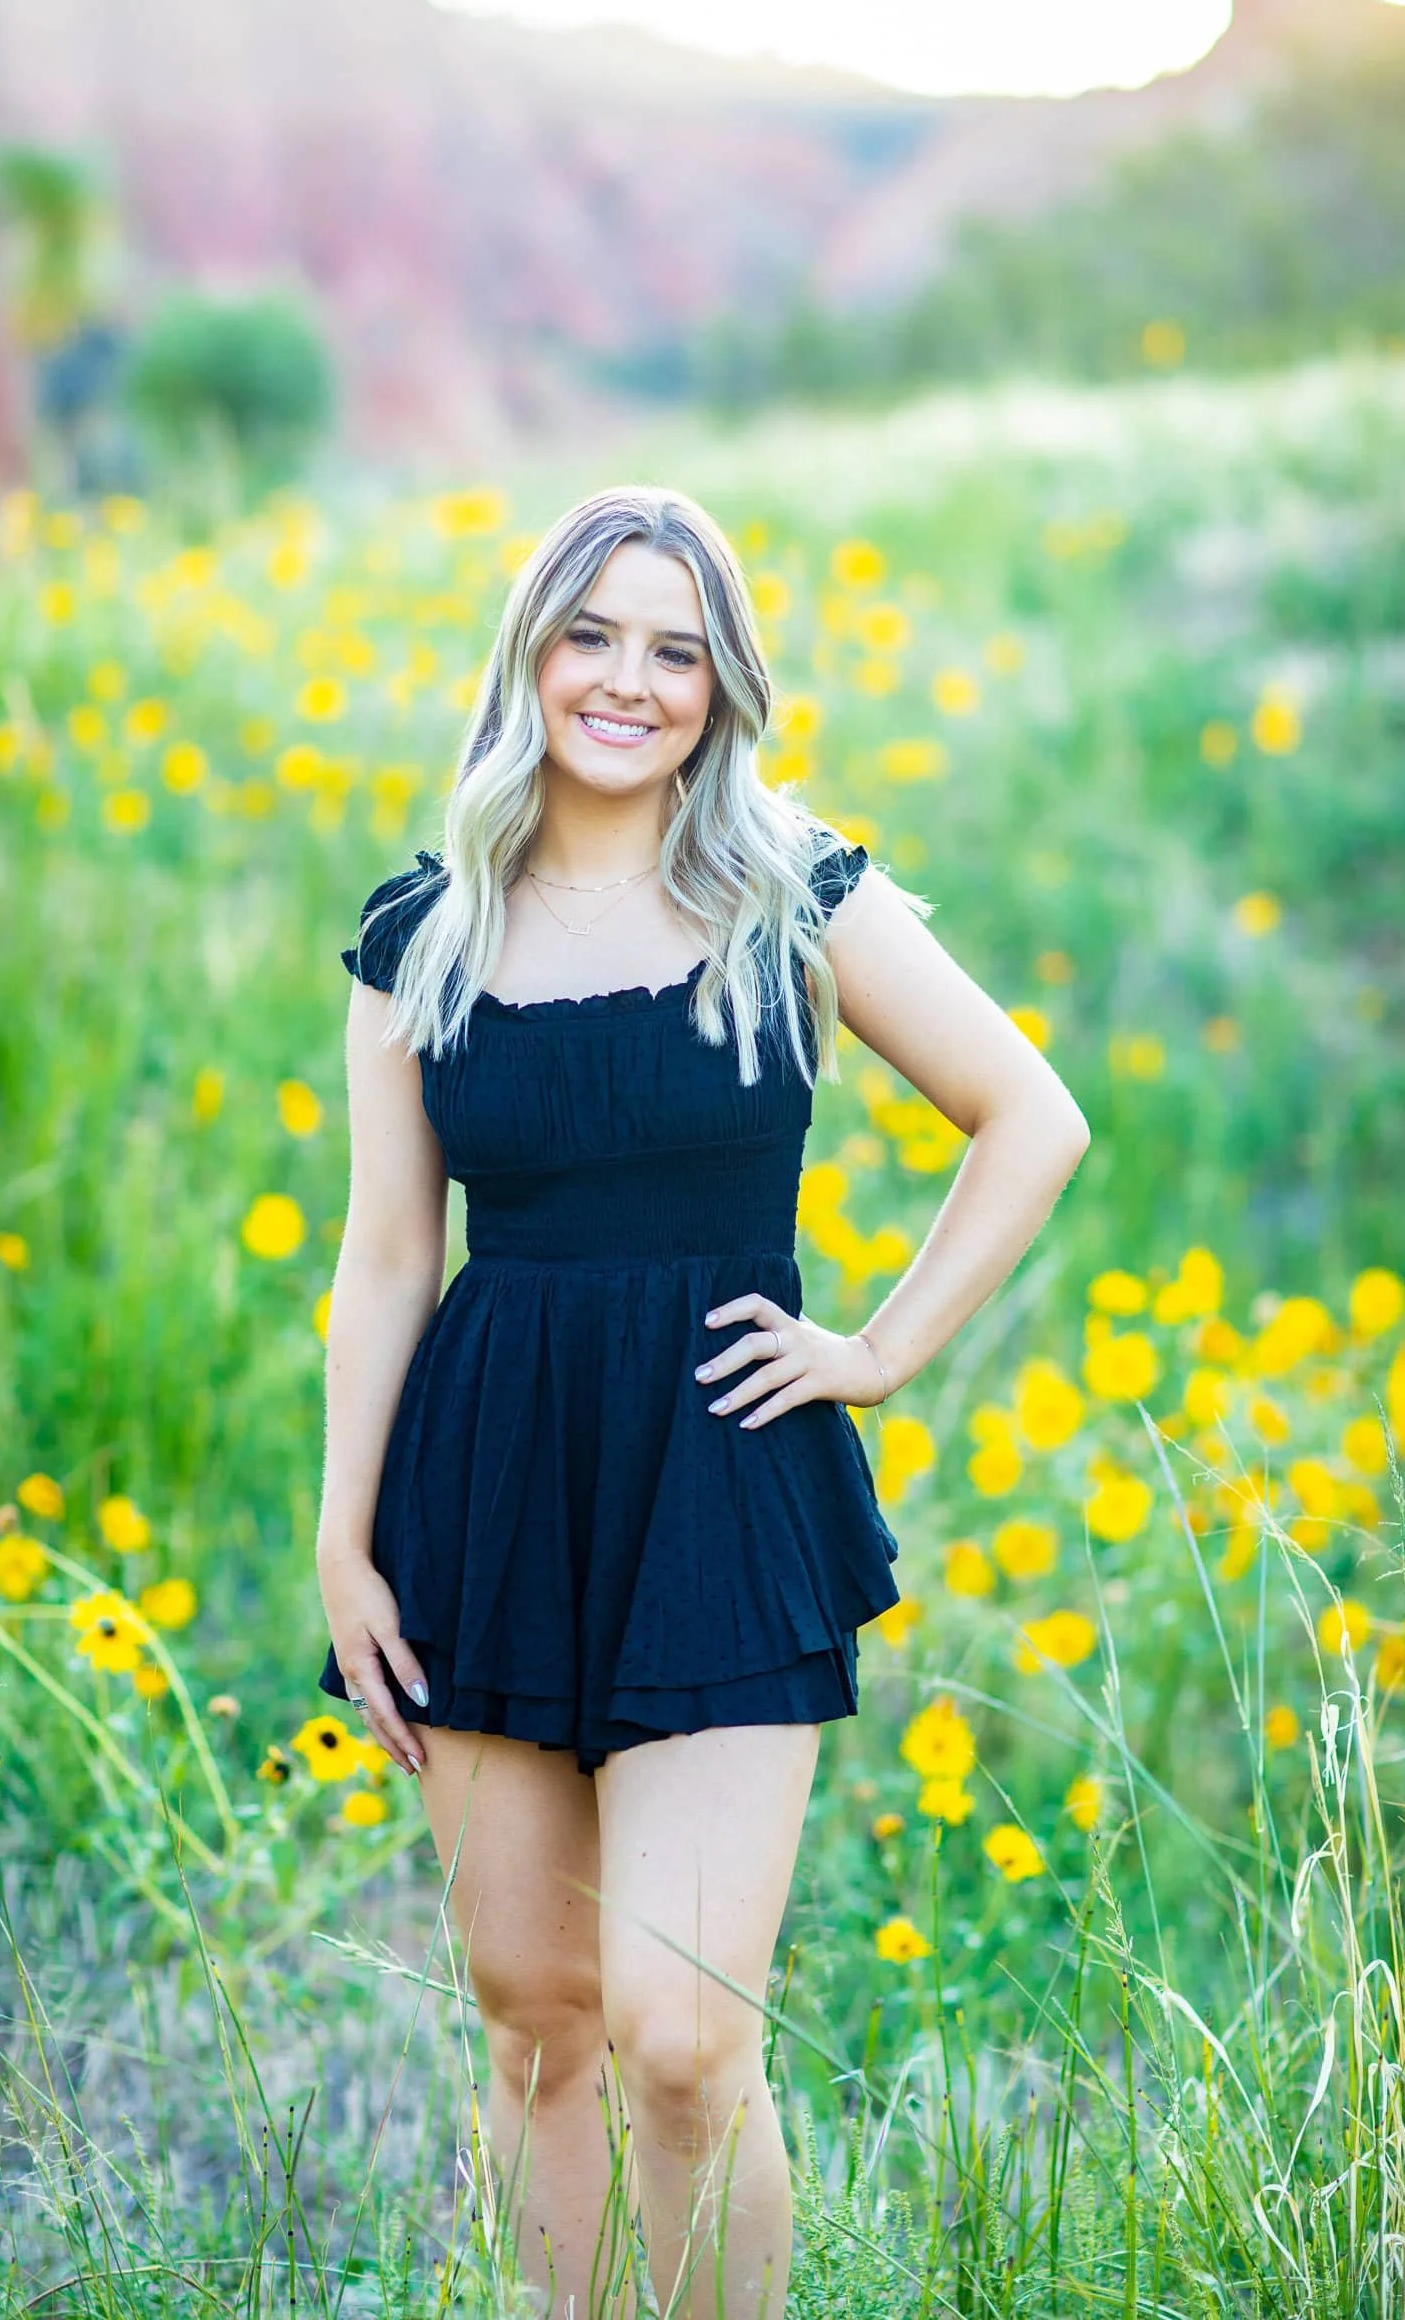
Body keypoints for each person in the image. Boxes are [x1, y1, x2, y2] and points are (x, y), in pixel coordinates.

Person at [314, 484, 1091, 2319]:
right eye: (591, 634)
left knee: (679, 2035)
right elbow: (388, 1255)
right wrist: (344, 1544)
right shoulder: (425, 931)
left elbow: (1031, 1118)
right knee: (535, 2018)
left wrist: (877, 1352)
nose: (627, 681)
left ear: (723, 686)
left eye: (676, 651)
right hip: (489, 1485)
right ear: (530, 653)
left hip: (724, 1484)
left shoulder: (790, 892)